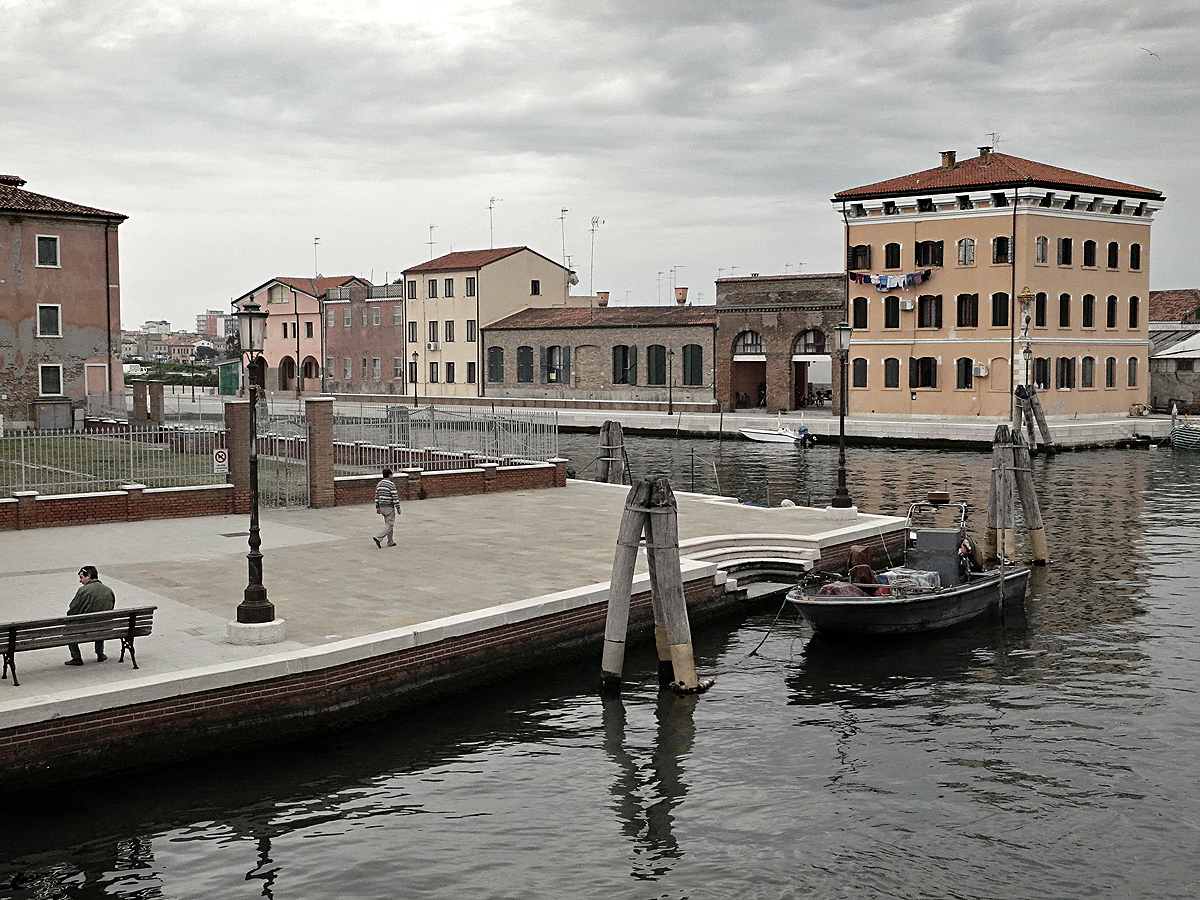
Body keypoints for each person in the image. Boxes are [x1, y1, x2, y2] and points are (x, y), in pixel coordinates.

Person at [65, 565, 116, 666]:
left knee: (68, 630)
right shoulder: (108, 590)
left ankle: (76, 657)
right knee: (101, 621)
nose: (80, 581)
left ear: (88, 576)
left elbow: (72, 611)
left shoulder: (83, 591)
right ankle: (100, 654)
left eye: (81, 577)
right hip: (105, 628)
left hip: (86, 628)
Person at [373, 467, 400, 548]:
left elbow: (376, 496)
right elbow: (395, 496)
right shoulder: (391, 484)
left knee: (388, 523)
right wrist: (398, 508)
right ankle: (378, 538)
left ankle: (390, 541)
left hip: (382, 507)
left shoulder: (379, 484)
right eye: (391, 474)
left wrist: (377, 507)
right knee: (390, 525)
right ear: (389, 475)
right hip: (389, 507)